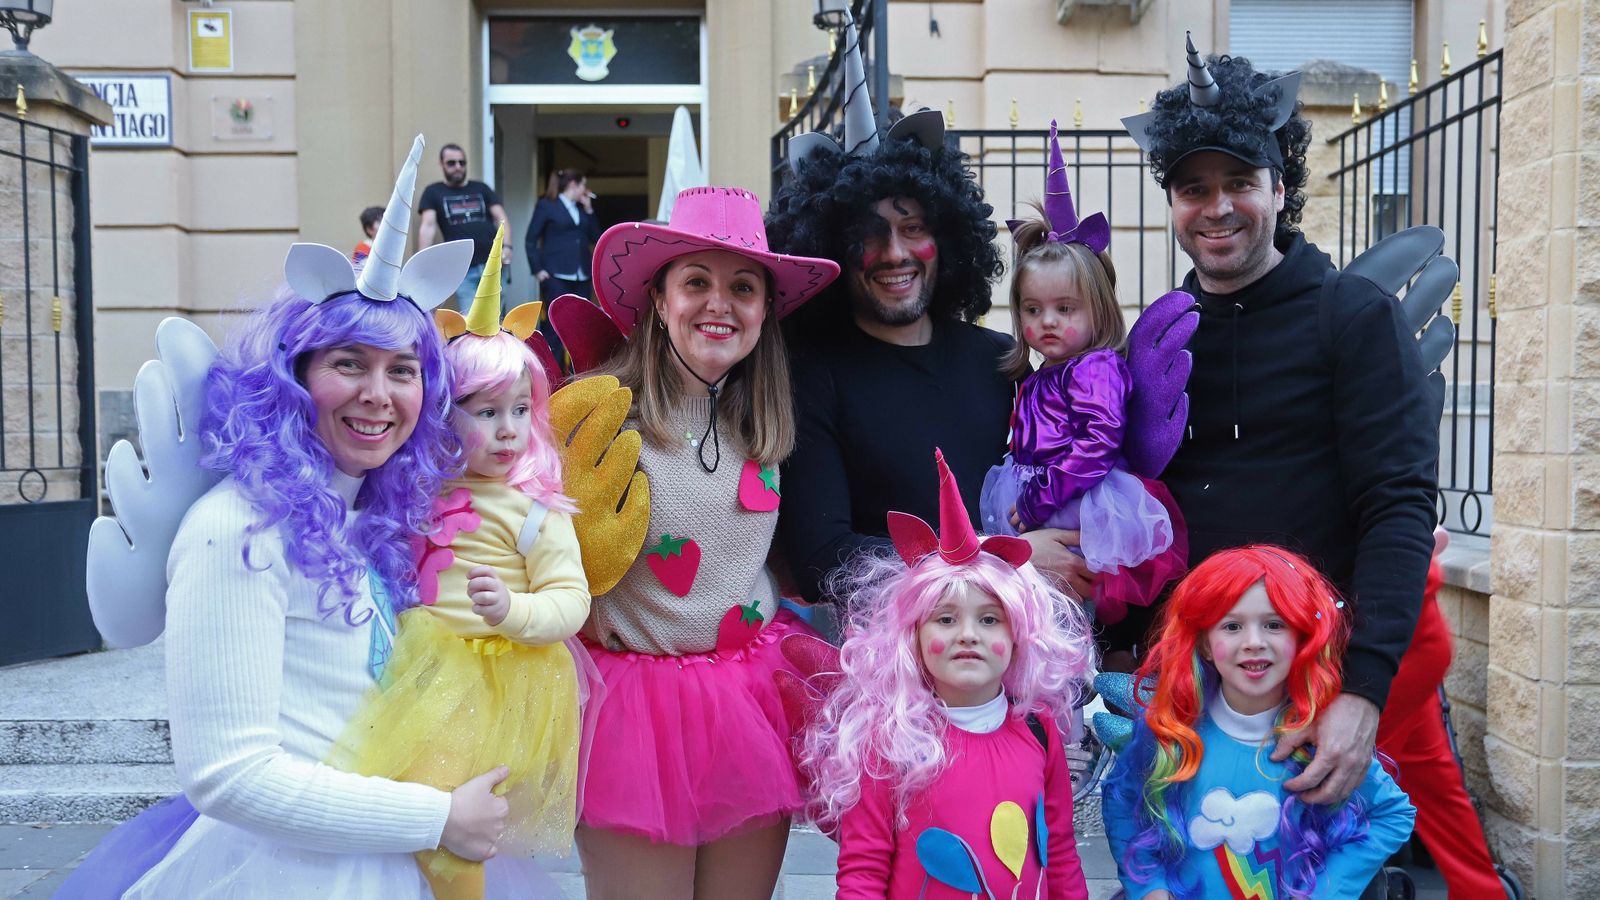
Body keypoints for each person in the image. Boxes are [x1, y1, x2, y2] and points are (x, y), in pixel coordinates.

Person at [62, 136, 514, 897]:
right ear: (293, 378)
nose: (380, 394)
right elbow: (229, 775)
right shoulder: (234, 530)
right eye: (349, 364)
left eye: (402, 371)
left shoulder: (364, 515)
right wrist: (435, 819)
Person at [1119, 37, 1439, 807]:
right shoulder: (1160, 333)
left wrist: (1363, 695)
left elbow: (1397, 507)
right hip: (1188, 700)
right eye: (1193, 188)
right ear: (1172, 204)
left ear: (1280, 189)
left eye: (1239, 181)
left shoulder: (1354, 318)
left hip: (1316, 691)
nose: (1217, 206)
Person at [766, 19, 1095, 610]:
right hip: (892, 671)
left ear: (945, 238)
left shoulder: (1004, 360)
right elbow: (825, 559)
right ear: (832, 250)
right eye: (870, 235)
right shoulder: (813, 377)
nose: (894, 253)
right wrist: (1000, 557)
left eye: (913, 229)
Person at [570, 186, 840, 899]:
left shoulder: (767, 423)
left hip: (746, 702)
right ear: (659, 301)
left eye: (742, 287)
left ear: (764, 313)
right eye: (697, 282)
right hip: (630, 715)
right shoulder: (602, 414)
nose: (719, 304)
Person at [329, 225, 592, 900]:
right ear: (447, 418)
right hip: (418, 664)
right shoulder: (422, 489)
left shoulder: (537, 509)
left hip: (492, 676)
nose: (507, 430)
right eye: (485, 413)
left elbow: (571, 600)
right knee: (396, 797)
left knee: (451, 812)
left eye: (518, 412)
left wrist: (513, 611)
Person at [802, 450, 1093, 899]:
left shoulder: (1040, 730)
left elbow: (1060, 853)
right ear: (912, 636)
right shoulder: (889, 740)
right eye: (946, 619)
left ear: (1019, 634)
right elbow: (862, 872)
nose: (968, 635)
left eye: (990, 620)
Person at [1101, 546, 1415, 899]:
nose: (1254, 642)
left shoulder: (1320, 739)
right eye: (1232, 626)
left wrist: (1328, 891)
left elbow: (1392, 813)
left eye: (1274, 625)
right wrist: (1149, 886)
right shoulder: (1172, 732)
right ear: (1204, 643)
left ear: (1302, 638)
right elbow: (1123, 803)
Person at [978, 120, 1187, 628]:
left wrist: (1038, 497)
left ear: (1096, 310)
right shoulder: (1043, 370)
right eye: (1032, 309)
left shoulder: (1094, 370)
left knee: (1066, 595)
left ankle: (1073, 677)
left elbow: (1098, 440)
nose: (1046, 322)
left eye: (1064, 308)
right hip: (1037, 489)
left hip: (1074, 496)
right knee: (1033, 603)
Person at [419, 142, 513, 312]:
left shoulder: (481, 188)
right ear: (441, 164)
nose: (457, 167)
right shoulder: (433, 192)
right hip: (462, 268)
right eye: (451, 163)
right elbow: (428, 226)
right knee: (469, 320)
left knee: (495, 318)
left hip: (492, 263)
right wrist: (422, 262)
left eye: (462, 163)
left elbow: (502, 219)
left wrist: (507, 247)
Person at [525, 168, 601, 370]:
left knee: (581, 325)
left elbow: (596, 236)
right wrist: (538, 269)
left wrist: (589, 210)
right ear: (573, 185)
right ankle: (553, 373)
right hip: (556, 274)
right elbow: (531, 239)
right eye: (583, 185)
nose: (585, 190)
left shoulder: (581, 209)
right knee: (555, 326)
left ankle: (580, 372)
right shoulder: (547, 206)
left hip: (580, 274)